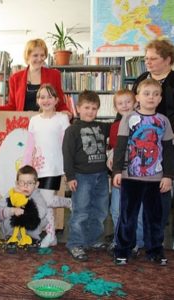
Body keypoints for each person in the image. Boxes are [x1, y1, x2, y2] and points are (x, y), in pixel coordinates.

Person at [113, 78, 174, 266]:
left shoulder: (164, 121)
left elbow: (169, 150)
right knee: (127, 216)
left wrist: (168, 175)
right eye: (147, 93)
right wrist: (117, 171)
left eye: (156, 94)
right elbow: (121, 146)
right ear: (137, 96)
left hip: (155, 178)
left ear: (160, 98)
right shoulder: (128, 118)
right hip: (131, 177)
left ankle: (155, 250)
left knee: (154, 218)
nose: (151, 97)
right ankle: (122, 250)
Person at [132, 39, 174, 240]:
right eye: (146, 58)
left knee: (165, 187)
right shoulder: (140, 79)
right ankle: (142, 234)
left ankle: (160, 233)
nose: (148, 62)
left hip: (169, 143)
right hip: (143, 144)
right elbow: (129, 110)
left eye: (153, 59)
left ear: (167, 59)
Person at [62, 90, 110, 262]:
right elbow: (67, 155)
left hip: (102, 176)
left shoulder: (103, 127)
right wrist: (70, 176)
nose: (90, 111)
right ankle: (75, 243)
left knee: (100, 210)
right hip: (81, 177)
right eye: (87, 107)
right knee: (81, 211)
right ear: (78, 108)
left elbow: (120, 128)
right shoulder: (72, 130)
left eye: (94, 108)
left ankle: (93, 239)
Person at [22, 84, 71, 248]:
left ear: (56, 100)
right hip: (37, 167)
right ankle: (51, 235)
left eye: (50, 96)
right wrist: (25, 167)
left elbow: (67, 144)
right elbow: (30, 146)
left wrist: (69, 167)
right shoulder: (34, 121)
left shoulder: (62, 119)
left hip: (54, 166)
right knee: (43, 201)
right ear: (37, 101)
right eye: (42, 97)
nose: (46, 100)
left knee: (48, 199)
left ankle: (71, 203)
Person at [0, 39, 71, 116]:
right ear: (27, 57)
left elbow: (60, 102)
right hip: (23, 123)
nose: (40, 59)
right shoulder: (15, 78)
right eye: (35, 55)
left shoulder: (54, 75)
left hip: (47, 123)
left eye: (42, 55)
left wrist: (66, 112)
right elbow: (13, 106)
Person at [106, 89, 144, 256]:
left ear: (136, 102)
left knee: (138, 211)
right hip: (119, 175)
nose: (125, 106)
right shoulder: (114, 127)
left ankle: (136, 242)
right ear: (116, 107)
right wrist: (110, 157)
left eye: (128, 102)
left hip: (138, 175)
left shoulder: (144, 123)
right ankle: (119, 239)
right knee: (116, 209)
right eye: (120, 103)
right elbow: (114, 148)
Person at [0, 165, 48, 254]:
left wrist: (26, 202)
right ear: (17, 183)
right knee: (7, 216)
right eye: (22, 182)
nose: (25, 186)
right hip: (14, 227)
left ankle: (33, 238)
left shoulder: (37, 195)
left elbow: (42, 212)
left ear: (36, 184)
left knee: (42, 219)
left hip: (29, 226)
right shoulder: (12, 194)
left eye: (29, 183)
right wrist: (12, 210)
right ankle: (11, 238)